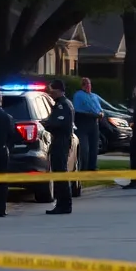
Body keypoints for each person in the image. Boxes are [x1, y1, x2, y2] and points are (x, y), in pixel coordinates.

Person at [42, 79, 75, 214]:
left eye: (52, 90)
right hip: (59, 141)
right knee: (58, 172)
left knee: (60, 173)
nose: (50, 93)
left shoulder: (63, 105)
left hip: (61, 141)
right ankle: (61, 203)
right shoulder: (62, 104)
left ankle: (64, 204)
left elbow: (57, 124)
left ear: (58, 90)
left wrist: (46, 124)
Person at [72, 77, 103, 177]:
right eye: (86, 84)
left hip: (94, 123)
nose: (88, 86)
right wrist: (94, 114)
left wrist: (101, 113)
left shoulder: (94, 96)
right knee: (84, 148)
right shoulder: (78, 95)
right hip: (83, 123)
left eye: (89, 83)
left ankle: (92, 167)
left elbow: (98, 108)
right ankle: (83, 167)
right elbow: (79, 110)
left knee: (94, 146)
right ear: (82, 85)